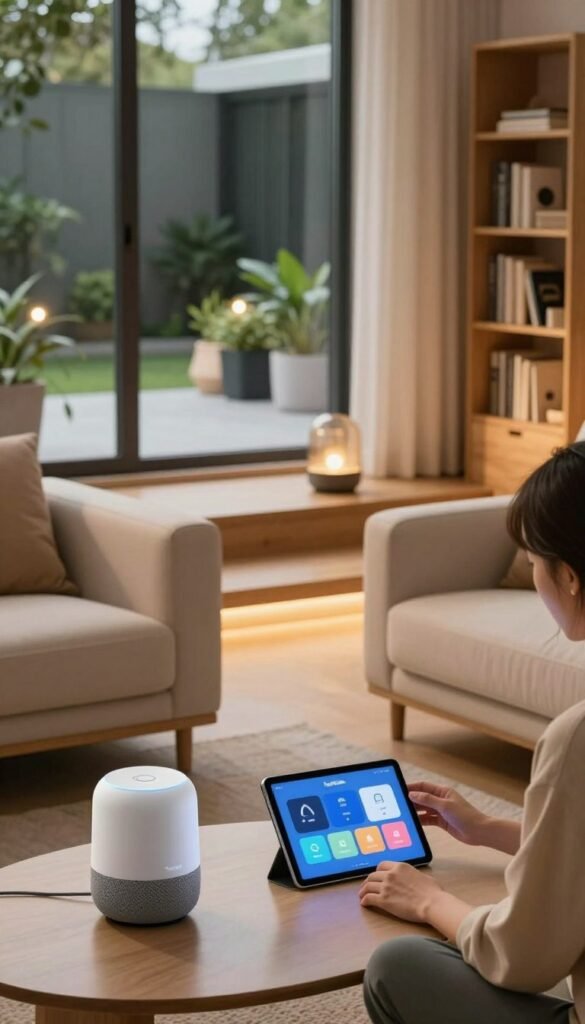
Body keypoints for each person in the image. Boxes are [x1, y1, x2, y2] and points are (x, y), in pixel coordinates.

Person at [361, 441, 585, 1024]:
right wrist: (489, 830)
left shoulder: (576, 739)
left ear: (568, 576)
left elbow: (524, 957)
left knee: (398, 965)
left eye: (533, 563)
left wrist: (430, 901)